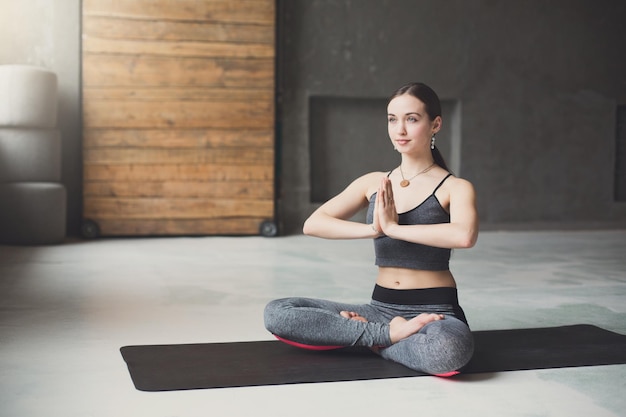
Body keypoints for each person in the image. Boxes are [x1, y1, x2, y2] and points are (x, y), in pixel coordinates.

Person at [264, 82, 479, 375]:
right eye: (393, 119)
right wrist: (373, 230)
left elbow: (464, 235)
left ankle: (373, 339)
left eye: (412, 119)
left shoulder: (455, 187)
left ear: (435, 124)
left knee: (449, 350)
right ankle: (386, 336)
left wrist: (394, 228)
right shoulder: (373, 182)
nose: (399, 129)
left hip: (434, 310)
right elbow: (313, 223)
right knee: (279, 312)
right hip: (379, 309)